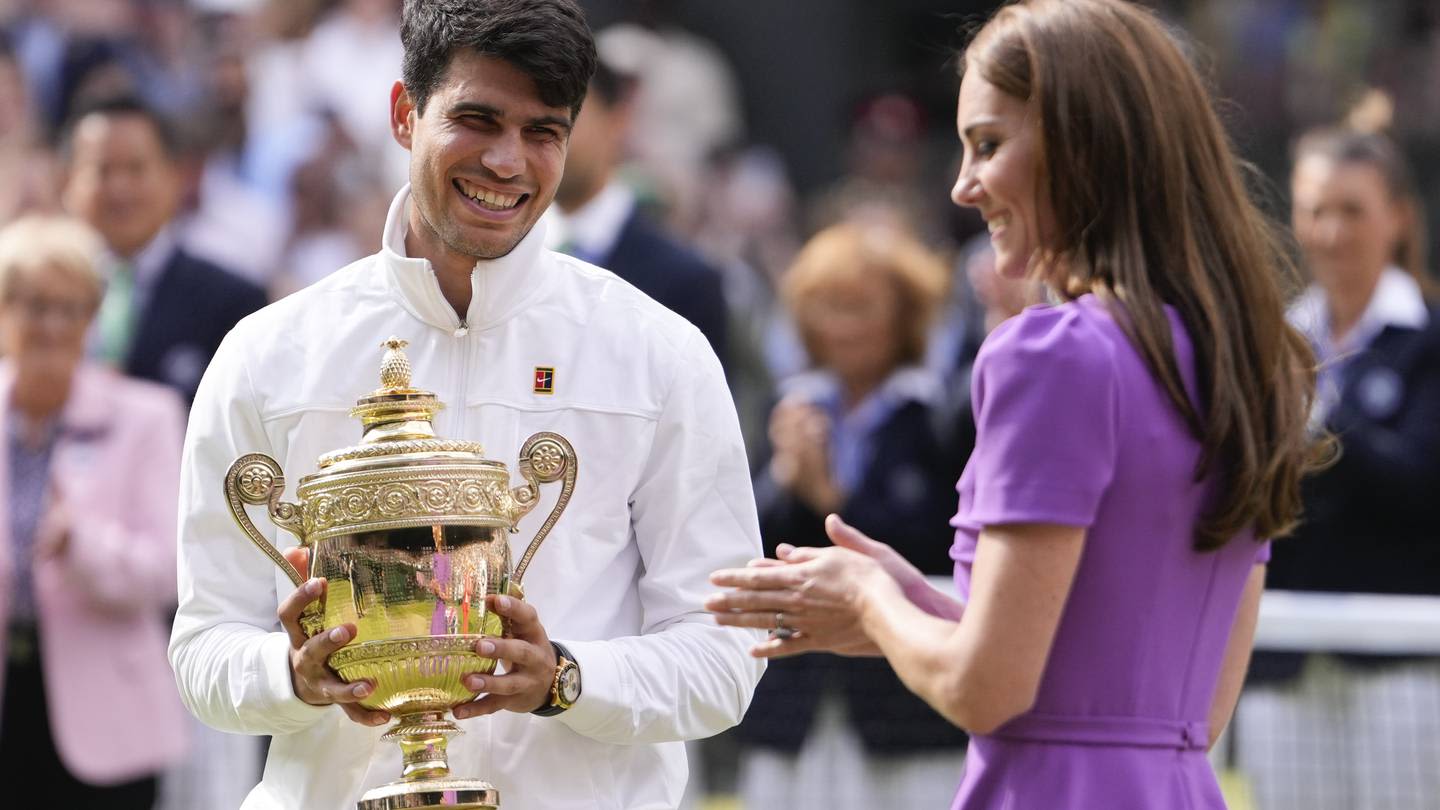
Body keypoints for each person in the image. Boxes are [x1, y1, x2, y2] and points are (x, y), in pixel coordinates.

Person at [707, 1, 1323, 808]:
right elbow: (1183, 706)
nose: (964, 187)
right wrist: (916, 607)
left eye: (989, 145)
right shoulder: (1247, 358)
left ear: (1083, 144)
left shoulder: (1054, 353)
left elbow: (984, 690)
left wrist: (870, 597)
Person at [167, 2, 765, 809]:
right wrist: (293, 675)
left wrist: (563, 677)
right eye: (476, 120)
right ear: (404, 113)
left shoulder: (659, 353)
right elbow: (204, 646)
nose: (507, 161)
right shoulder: (270, 354)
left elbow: (725, 656)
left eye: (543, 131)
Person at [1237, 124, 1440, 810]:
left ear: (1399, 217)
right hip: (1282, 661)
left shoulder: (1431, 342)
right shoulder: (1272, 343)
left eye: (1352, 209)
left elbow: (1420, 483)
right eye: (1315, 209)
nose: (1330, 231)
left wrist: (1318, 422)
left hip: (1401, 668)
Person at [736, 222, 970, 810]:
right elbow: (746, 538)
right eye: (825, 307)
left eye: (860, 307)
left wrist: (835, 501)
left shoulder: (936, 417)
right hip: (797, 690)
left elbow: (941, 545)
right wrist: (786, 481)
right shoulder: (788, 406)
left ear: (903, 315)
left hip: (904, 699)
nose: (841, 326)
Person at [0, 215, 188, 809]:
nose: (51, 325)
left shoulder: (146, 416)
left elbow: (167, 573)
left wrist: (82, 545)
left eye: (70, 307)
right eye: (32, 304)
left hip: (105, 719)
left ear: (93, 316)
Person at [60, 95, 268, 404]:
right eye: (102, 170)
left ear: (175, 177)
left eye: (136, 169)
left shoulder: (233, 303)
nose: (119, 188)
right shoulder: (35, 296)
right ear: (68, 181)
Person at [549, 57, 729, 363]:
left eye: (566, 117)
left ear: (618, 120)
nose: (546, 135)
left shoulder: (686, 278)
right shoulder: (494, 254)